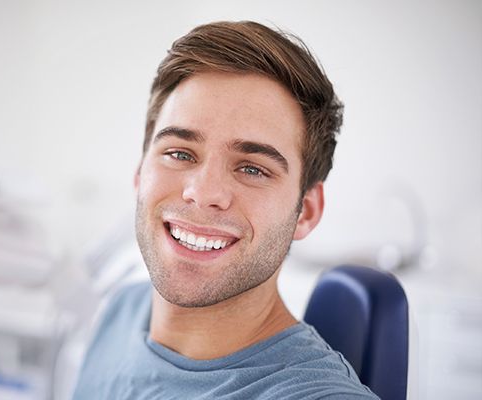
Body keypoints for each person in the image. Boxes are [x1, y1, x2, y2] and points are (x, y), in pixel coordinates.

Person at [73, 21, 379, 399]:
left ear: (306, 212)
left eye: (252, 168)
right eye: (179, 153)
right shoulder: (123, 309)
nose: (202, 193)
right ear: (140, 172)